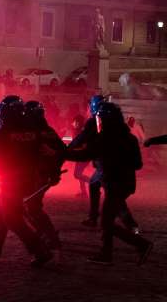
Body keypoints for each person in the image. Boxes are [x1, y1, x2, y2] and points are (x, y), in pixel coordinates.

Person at [65, 103, 153, 265]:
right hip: (125, 184)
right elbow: (138, 164)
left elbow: (85, 155)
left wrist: (63, 154)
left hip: (114, 184)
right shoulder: (129, 138)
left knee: (106, 221)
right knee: (108, 218)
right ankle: (106, 254)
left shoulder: (104, 139)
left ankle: (141, 244)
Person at [0, 98, 53, 267]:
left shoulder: (4, 133)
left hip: (10, 181)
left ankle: (39, 249)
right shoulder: (31, 130)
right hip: (27, 179)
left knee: (12, 218)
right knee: (0, 206)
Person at [68, 95, 139, 232]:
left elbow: (82, 143)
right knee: (96, 186)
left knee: (114, 201)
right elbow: (137, 162)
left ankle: (131, 229)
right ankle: (96, 218)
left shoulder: (96, 126)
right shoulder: (123, 132)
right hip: (108, 166)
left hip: (107, 166)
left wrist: (65, 152)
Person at [22, 100, 65, 252]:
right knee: (30, 206)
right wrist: (56, 171)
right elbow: (62, 152)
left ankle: (50, 237)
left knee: (31, 207)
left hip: (38, 175)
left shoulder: (33, 132)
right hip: (43, 175)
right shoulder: (49, 130)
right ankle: (44, 233)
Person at [70, 114, 91, 198]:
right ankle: (84, 192)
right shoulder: (79, 131)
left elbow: (84, 146)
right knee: (79, 174)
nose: (72, 123)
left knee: (77, 174)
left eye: (74, 122)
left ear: (78, 122)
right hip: (81, 155)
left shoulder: (82, 132)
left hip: (84, 156)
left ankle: (95, 184)